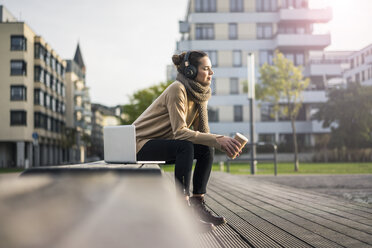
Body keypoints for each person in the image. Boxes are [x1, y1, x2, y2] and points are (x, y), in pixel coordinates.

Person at [133, 50, 242, 230]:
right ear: (190, 71)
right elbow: (180, 133)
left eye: (211, 69)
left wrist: (220, 143)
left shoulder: (198, 95)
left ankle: (198, 205)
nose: (211, 73)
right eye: (206, 69)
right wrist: (218, 139)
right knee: (185, 146)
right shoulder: (178, 89)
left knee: (206, 149)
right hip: (139, 144)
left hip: (161, 144)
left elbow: (201, 134)